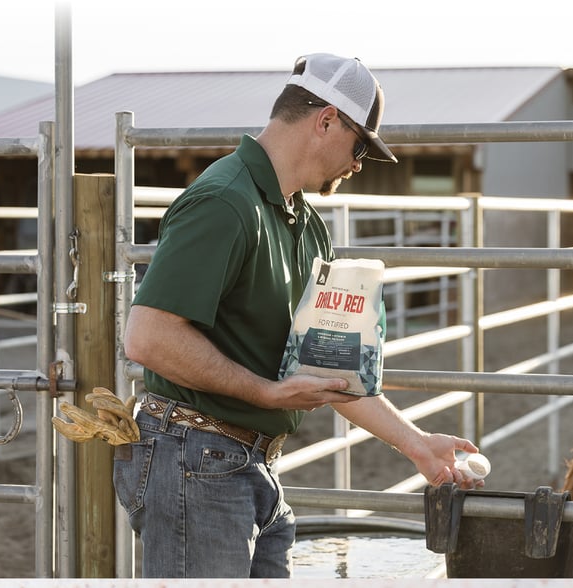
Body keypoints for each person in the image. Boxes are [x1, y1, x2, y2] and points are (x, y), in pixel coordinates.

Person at [119, 52, 483, 578]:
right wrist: (265, 393)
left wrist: (418, 445)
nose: (358, 163)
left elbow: (325, 368)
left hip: (246, 464)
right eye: (361, 145)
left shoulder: (304, 223)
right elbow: (148, 338)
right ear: (326, 119)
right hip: (194, 457)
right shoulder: (224, 201)